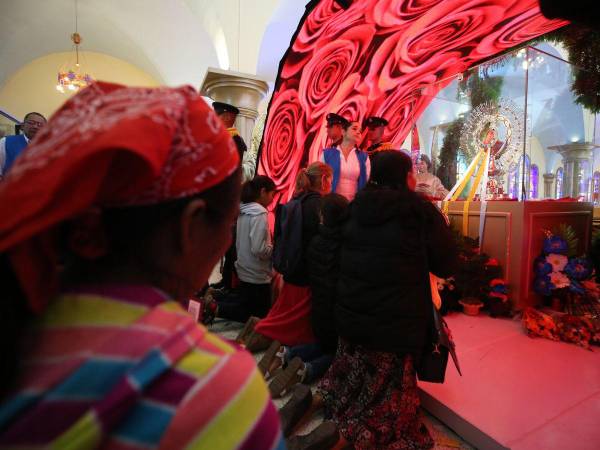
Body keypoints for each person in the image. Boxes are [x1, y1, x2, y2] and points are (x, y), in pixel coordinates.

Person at [0, 82, 283, 449]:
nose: (227, 242)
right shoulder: (215, 390)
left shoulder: (18, 309)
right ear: (190, 226)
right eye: (227, 225)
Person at [318, 150, 458, 449]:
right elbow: (446, 262)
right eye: (412, 172)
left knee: (352, 379)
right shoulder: (418, 211)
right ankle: (355, 435)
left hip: (352, 315)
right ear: (406, 176)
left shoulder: (354, 206)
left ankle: (338, 416)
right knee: (389, 404)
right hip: (395, 323)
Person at [262, 193, 349, 399]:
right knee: (338, 353)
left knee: (324, 343)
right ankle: (306, 369)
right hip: (336, 311)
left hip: (317, 307)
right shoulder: (345, 246)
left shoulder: (316, 241)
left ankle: (287, 354)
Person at [242, 162, 333, 352]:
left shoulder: (297, 200)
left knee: (283, 314)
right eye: (330, 180)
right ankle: (263, 331)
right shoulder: (320, 205)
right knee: (291, 323)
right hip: (308, 274)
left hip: (292, 269)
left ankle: (258, 328)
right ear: (324, 180)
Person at [212, 175, 276, 323]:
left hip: (245, 268)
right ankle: (214, 307)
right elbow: (259, 249)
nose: (272, 199)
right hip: (257, 273)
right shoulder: (260, 214)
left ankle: (215, 299)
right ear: (263, 191)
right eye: (272, 194)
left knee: (244, 303)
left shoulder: (244, 210)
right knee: (254, 313)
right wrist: (273, 249)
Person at [212, 101, 247, 291]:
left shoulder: (234, 140)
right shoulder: (220, 137)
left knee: (226, 241)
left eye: (218, 116)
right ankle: (224, 280)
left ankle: (228, 281)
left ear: (227, 117)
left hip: (224, 195)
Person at [321, 120, 370, 201]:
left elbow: (365, 183)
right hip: (331, 203)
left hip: (354, 205)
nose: (358, 132)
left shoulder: (364, 157)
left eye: (360, 131)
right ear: (343, 132)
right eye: (354, 129)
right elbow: (320, 179)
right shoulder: (327, 154)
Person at [0, 112, 46, 178]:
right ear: (22, 126)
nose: (35, 126)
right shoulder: (5, 142)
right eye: (31, 123)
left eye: (40, 125)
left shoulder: (49, 146)